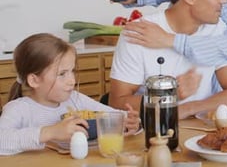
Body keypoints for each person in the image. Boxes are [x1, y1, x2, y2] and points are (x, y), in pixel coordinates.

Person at [0, 33, 141, 155]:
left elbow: (113, 115)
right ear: (34, 80)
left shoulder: (75, 99)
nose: (71, 80)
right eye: (62, 74)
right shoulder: (19, 109)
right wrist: (51, 132)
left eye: (72, 71)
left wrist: (131, 123)